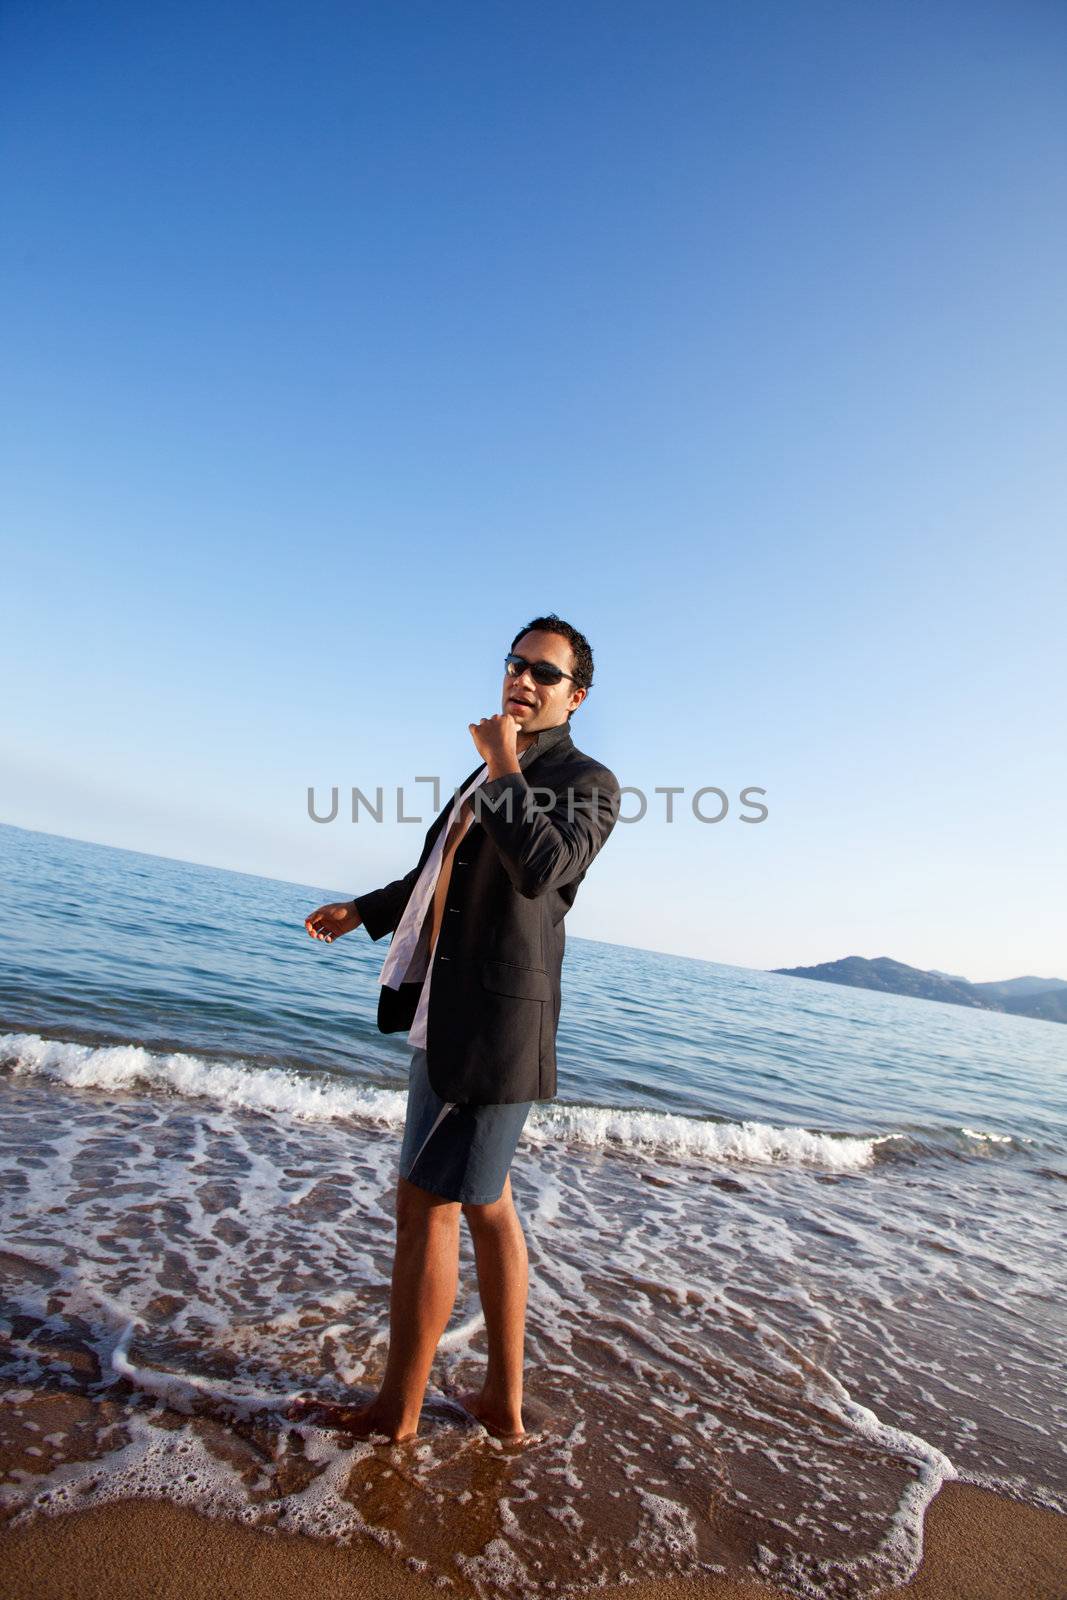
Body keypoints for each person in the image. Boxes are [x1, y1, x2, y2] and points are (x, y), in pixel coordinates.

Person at [289, 614, 620, 1443]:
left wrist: (503, 763)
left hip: (495, 1030)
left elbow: (542, 868)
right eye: (515, 664)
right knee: (487, 1208)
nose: (523, 680)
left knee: (425, 1206)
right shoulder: (488, 775)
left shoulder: (588, 780)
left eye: (544, 674)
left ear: (574, 696)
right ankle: (502, 1407)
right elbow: (437, 874)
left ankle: (393, 1416)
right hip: (449, 1013)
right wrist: (362, 909)